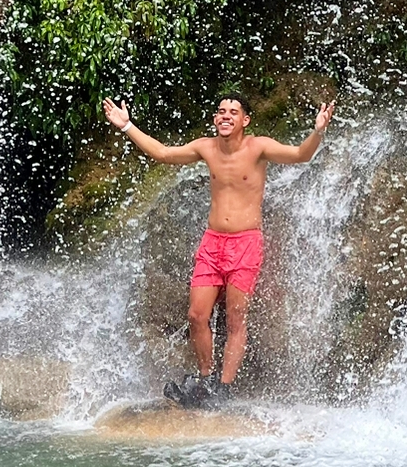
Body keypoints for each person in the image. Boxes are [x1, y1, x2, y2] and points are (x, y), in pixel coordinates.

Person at [103, 91, 335, 407]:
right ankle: (205, 379)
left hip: (245, 243)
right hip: (212, 243)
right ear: (215, 118)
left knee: (235, 317)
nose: (225, 115)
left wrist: (318, 131)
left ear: (245, 120)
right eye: (221, 111)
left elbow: (300, 155)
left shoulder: (258, 147)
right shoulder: (206, 147)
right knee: (197, 314)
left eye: (233, 112)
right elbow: (162, 153)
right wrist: (127, 126)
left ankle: (223, 388)